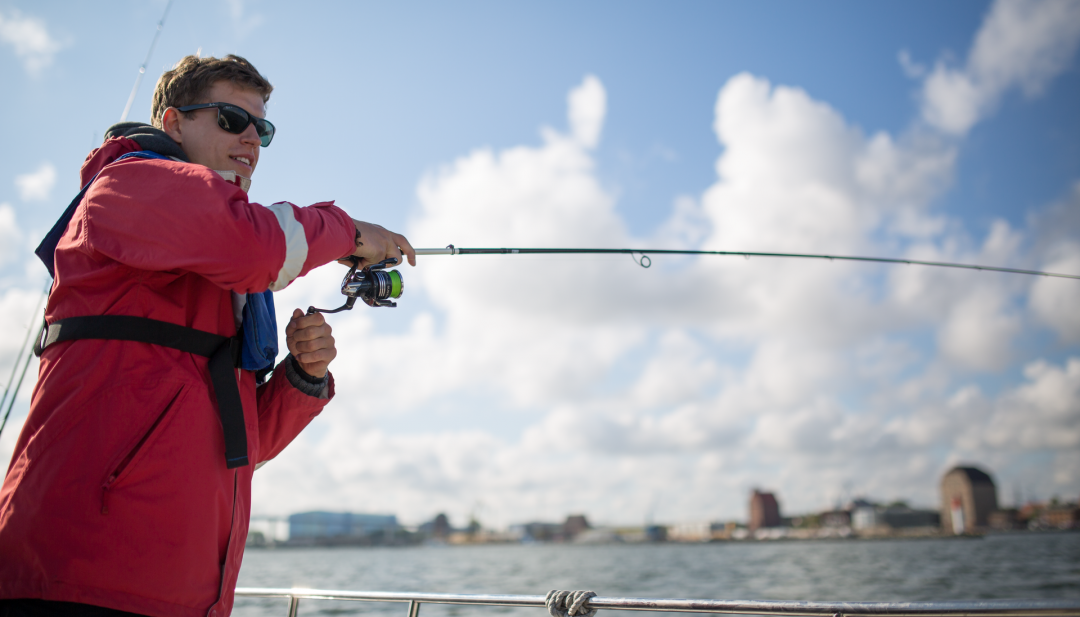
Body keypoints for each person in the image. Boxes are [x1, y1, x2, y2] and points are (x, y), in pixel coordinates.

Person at [0, 55, 415, 617]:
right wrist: (350, 231)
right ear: (172, 123)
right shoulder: (129, 183)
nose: (252, 139)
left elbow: (236, 447)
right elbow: (258, 246)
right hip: (80, 575)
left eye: (262, 128)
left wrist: (300, 379)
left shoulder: (219, 270)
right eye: (230, 119)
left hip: (187, 592)